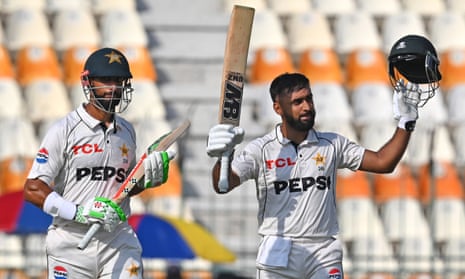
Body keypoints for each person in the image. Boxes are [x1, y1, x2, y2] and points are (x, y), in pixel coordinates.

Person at [206, 34, 441, 279]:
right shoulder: (261, 149)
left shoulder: (332, 144)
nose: (307, 106)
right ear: (278, 108)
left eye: (309, 98)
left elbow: (384, 163)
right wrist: (223, 156)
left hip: (323, 250)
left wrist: (406, 123)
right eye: (297, 102)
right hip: (279, 249)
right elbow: (223, 185)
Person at [23, 47, 175, 278]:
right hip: (71, 243)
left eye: (118, 81)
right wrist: (81, 212)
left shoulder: (127, 131)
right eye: (105, 80)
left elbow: (124, 186)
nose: (113, 88)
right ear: (87, 81)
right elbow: (32, 189)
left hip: (118, 239)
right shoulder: (64, 130)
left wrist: (146, 181)